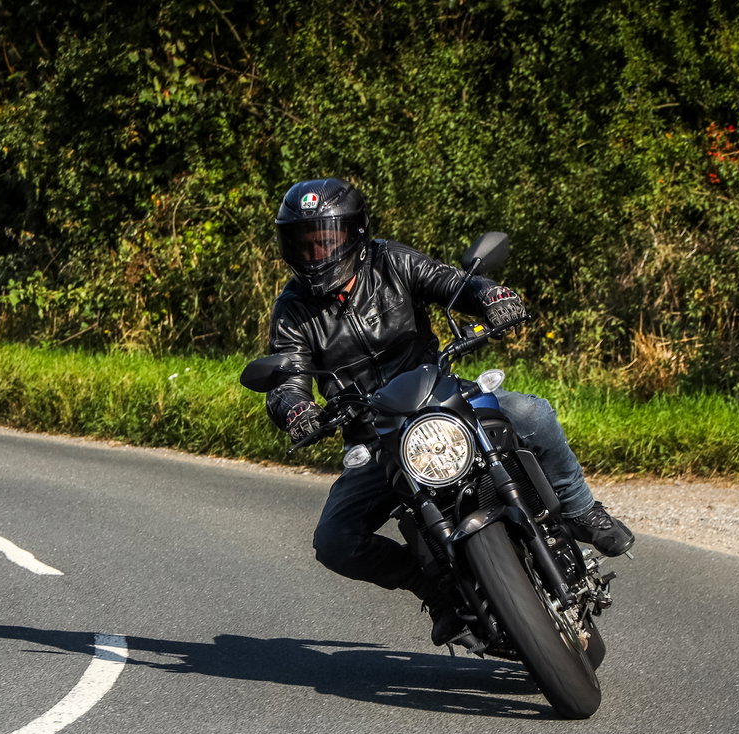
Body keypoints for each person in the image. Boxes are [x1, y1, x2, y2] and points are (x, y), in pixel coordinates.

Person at [256, 177, 633, 644]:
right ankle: (433, 587)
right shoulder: (292, 309)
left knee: (532, 414)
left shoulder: (390, 260)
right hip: (376, 436)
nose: (317, 252)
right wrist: (296, 409)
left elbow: (451, 283)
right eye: (306, 243)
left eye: (326, 239)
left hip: (442, 396)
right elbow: (287, 378)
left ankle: (581, 512)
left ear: (353, 233)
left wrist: (491, 296)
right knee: (334, 541)